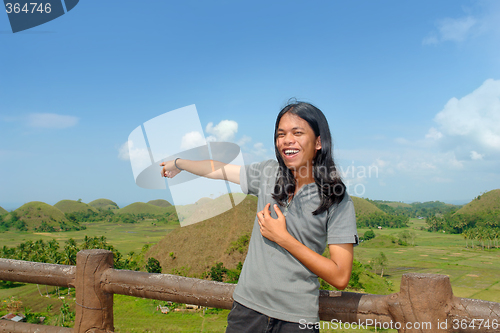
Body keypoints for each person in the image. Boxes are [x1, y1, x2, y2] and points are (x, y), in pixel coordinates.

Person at [160, 101, 358, 333]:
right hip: (246, 311)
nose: (287, 140)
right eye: (281, 134)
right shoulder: (268, 173)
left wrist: (283, 238)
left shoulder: (336, 199)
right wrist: (178, 163)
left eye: (298, 132)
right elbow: (219, 169)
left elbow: (340, 275)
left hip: (296, 320)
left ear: (318, 142)